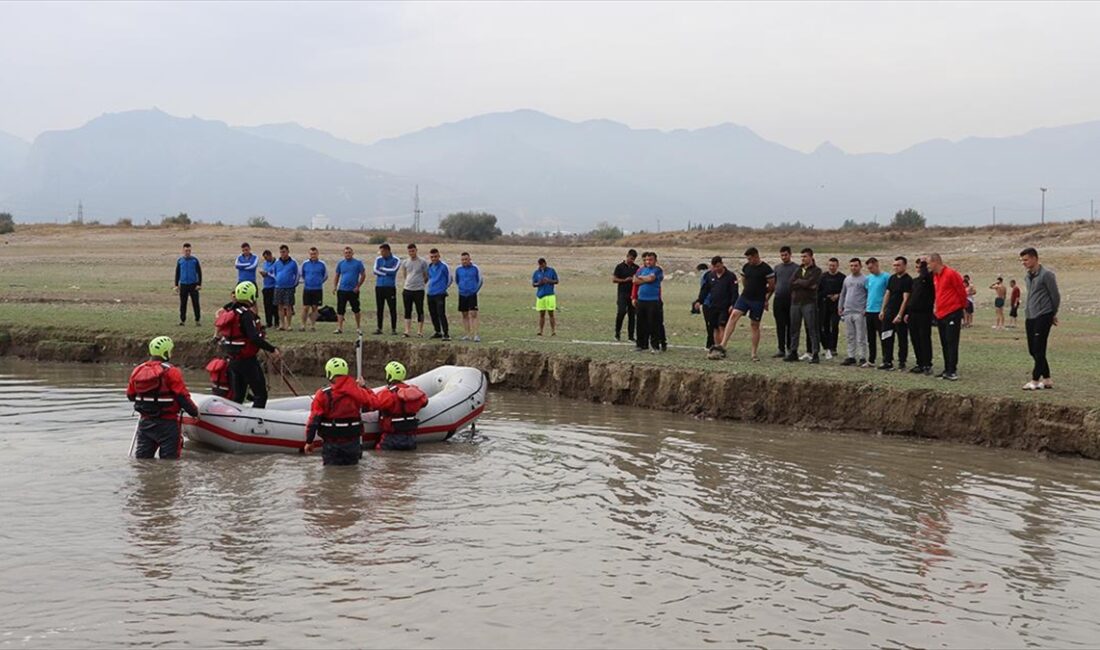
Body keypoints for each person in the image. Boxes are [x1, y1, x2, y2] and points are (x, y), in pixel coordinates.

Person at [126, 336, 199, 459]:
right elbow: (182, 397)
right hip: (168, 425)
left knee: (143, 461)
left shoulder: (138, 370)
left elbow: (131, 396)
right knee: (170, 463)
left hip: (145, 424)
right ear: (166, 352)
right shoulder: (172, 372)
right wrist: (194, 412)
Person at [302, 357, 382, 466]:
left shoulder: (323, 394)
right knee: (353, 475)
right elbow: (376, 403)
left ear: (329, 373)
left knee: (331, 475)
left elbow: (314, 420)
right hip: (352, 444)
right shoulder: (358, 392)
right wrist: (364, 387)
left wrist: (309, 441)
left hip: (331, 445)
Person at [216, 281, 281, 407]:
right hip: (247, 361)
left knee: (238, 396)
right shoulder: (246, 315)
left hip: (233, 360)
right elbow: (254, 338)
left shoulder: (232, 311)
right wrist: (272, 349)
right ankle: (256, 424)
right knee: (261, 394)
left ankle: (234, 421)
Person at [715, 247, 773, 361]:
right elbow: (744, 280)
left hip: (758, 300)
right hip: (745, 297)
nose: (749, 261)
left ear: (756, 256)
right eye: (747, 259)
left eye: (750, 258)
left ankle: (753, 353)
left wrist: (766, 299)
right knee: (733, 316)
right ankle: (723, 345)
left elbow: (772, 286)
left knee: (754, 325)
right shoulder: (746, 267)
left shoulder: (766, 269)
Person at [1020, 247, 1060, 390]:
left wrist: (1052, 313)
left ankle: (1035, 380)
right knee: (1033, 350)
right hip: (1030, 315)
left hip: (1043, 315)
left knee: (1038, 348)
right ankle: (1047, 379)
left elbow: (1055, 296)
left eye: (1026, 260)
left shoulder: (1046, 275)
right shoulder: (1028, 276)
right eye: (1022, 260)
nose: (1023, 263)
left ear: (1034, 258)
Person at [373, 361, 429, 451]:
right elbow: (424, 402)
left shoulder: (387, 394)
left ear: (389, 376)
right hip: (410, 439)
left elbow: (372, 403)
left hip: (391, 438)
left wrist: (363, 388)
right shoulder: (414, 392)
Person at [928, 253, 967, 381]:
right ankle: (947, 368)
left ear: (935, 262)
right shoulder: (935, 276)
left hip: (953, 312)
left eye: (929, 263)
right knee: (944, 342)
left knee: (952, 341)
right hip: (940, 313)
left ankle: (952, 370)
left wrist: (961, 308)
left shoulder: (951, 273)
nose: (928, 266)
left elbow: (961, 291)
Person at [698, 256, 741, 359]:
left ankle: (722, 348)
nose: (716, 268)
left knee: (722, 326)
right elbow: (705, 289)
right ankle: (717, 348)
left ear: (722, 264)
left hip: (725, 306)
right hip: (713, 305)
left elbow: (734, 292)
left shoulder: (730, 276)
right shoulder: (710, 275)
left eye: (718, 266)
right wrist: (699, 300)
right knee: (715, 327)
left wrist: (733, 304)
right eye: (714, 267)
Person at [787, 248, 822, 363]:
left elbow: (810, 283)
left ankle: (815, 353)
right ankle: (793, 351)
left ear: (811, 257)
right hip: (795, 302)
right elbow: (791, 283)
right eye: (801, 257)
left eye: (805, 256)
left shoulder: (817, 270)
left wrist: (800, 282)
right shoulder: (798, 269)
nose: (803, 259)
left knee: (812, 328)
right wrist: (803, 283)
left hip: (809, 302)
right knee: (794, 328)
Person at [878, 256, 912, 370]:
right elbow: (887, 294)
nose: (896, 267)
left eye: (898, 265)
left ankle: (902, 362)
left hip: (900, 314)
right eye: (894, 265)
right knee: (886, 336)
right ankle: (887, 360)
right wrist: (882, 310)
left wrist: (900, 315)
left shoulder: (908, 280)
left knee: (902, 339)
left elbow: (905, 299)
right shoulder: (892, 278)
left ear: (904, 266)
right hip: (889, 312)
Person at [906, 256, 935, 375]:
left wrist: (924, 263)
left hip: (924, 313)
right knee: (915, 338)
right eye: (917, 267)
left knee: (924, 338)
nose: (919, 269)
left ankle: (927, 364)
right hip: (913, 313)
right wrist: (907, 312)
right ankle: (920, 363)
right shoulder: (915, 281)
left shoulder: (929, 279)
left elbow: (925, 275)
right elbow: (911, 298)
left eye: (921, 267)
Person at [632, 252, 665, 353]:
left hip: (653, 300)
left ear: (655, 260)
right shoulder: (641, 269)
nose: (648, 262)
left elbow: (652, 278)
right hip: (641, 300)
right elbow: (634, 281)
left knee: (653, 324)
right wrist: (645, 279)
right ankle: (641, 345)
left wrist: (641, 278)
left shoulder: (658, 270)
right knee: (640, 323)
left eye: (650, 260)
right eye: (646, 260)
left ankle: (655, 346)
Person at [838, 258, 869, 367]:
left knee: (861, 336)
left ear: (860, 266)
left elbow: (868, 294)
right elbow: (843, 293)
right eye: (851, 265)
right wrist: (840, 307)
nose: (853, 268)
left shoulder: (865, 279)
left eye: (856, 265)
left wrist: (866, 308)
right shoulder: (847, 279)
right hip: (848, 311)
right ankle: (851, 356)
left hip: (859, 312)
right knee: (850, 335)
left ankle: (862, 357)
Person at [333, 246, 366, 334]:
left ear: (352, 253)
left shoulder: (358, 263)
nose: (347, 254)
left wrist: (358, 286)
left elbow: (363, 275)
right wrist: (335, 286)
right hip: (342, 290)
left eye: (349, 252)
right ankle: (339, 328)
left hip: (353, 290)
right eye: (346, 253)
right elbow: (337, 275)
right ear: (344, 254)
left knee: (356, 309)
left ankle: (358, 327)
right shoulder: (341, 263)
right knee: (340, 309)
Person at [771, 246, 798, 358]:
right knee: (780, 325)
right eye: (782, 255)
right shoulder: (777, 268)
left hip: (792, 300)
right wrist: (766, 299)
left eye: (785, 255)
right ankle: (780, 349)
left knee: (791, 325)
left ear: (790, 254)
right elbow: (773, 284)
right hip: (778, 299)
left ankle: (790, 348)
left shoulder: (797, 268)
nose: (783, 257)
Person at [818, 257, 845, 360]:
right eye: (830, 265)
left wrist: (838, 295)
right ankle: (827, 347)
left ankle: (833, 347)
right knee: (824, 326)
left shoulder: (842, 277)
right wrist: (827, 295)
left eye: (834, 265)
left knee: (834, 325)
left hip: (837, 305)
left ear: (837, 266)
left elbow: (845, 291)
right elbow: (819, 291)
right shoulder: (823, 277)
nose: (832, 267)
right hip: (825, 304)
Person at [863, 257, 888, 365]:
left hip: (880, 311)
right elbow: (867, 293)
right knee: (870, 337)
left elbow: (889, 293)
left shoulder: (886, 277)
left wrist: (884, 309)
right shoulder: (868, 278)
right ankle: (871, 359)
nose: (870, 270)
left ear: (877, 265)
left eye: (872, 268)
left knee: (882, 336)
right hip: (869, 311)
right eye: (869, 268)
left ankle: (885, 359)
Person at [454, 251, 483, 342]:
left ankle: (476, 335)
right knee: (464, 314)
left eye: (466, 259)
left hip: (472, 294)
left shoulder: (475, 268)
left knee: (473, 314)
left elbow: (480, 280)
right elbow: (457, 280)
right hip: (462, 294)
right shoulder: (458, 270)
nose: (464, 261)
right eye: (462, 260)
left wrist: (474, 290)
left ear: (470, 259)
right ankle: (467, 334)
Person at [401, 243, 429, 338]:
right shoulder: (405, 262)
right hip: (407, 289)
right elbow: (405, 274)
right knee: (407, 310)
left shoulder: (423, 262)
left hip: (419, 290)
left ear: (416, 250)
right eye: (409, 251)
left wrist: (421, 284)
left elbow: (426, 276)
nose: (411, 253)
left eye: (413, 251)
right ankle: (407, 331)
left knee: (419, 310)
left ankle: (420, 331)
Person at [373, 243, 401, 335]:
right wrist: (385, 273)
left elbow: (394, 270)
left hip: (390, 287)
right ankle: (379, 328)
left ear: (387, 251)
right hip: (379, 287)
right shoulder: (378, 259)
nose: (381, 253)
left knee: (392, 308)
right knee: (379, 308)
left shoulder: (396, 259)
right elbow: (375, 270)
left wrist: (382, 269)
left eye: (382, 251)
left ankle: (393, 329)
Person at [612, 250, 640, 342]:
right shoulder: (620, 267)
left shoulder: (636, 268)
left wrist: (635, 280)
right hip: (622, 294)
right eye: (630, 258)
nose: (631, 260)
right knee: (621, 312)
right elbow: (614, 279)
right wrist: (625, 280)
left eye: (633, 259)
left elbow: (639, 279)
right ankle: (617, 333)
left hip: (633, 295)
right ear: (627, 256)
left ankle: (631, 336)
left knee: (632, 315)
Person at [300, 247, 328, 332]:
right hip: (307, 289)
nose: (313, 255)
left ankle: (312, 325)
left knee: (315, 308)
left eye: (315, 254)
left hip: (317, 289)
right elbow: (302, 274)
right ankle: (303, 325)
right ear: (309, 254)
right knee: (305, 307)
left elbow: (325, 276)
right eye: (311, 254)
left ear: (317, 254)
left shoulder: (322, 264)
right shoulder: (305, 264)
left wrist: (318, 282)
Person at [174, 242, 202, 327]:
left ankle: (197, 320)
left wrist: (199, 284)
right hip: (183, 285)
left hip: (193, 285)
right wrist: (176, 285)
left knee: (196, 303)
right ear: (183, 250)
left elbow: (199, 272)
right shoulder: (180, 261)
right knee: (183, 304)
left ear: (191, 250)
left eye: (189, 250)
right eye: (186, 250)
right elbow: (177, 273)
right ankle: (182, 320)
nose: (187, 252)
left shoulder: (195, 260)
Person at [272, 244, 300, 332]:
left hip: (289, 287)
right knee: (279, 306)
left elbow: (297, 274)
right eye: (281, 252)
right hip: (278, 287)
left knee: (288, 306)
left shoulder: (293, 262)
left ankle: (289, 325)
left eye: (284, 252)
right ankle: (282, 324)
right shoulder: (277, 262)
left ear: (288, 252)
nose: (282, 254)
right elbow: (275, 273)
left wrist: (293, 284)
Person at [426, 248, 452, 340]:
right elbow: (429, 278)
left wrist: (443, 288)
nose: (433, 259)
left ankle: (446, 333)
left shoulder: (444, 266)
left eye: (435, 257)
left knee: (441, 313)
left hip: (440, 294)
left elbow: (449, 279)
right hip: (430, 293)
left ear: (439, 256)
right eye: (432, 257)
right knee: (433, 313)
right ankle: (437, 331)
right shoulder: (429, 266)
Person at [532, 257, 559, 336]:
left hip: (550, 295)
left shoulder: (551, 271)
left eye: (542, 265)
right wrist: (539, 283)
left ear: (545, 263)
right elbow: (534, 284)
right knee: (541, 314)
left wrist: (549, 281)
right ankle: (541, 331)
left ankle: (553, 331)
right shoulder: (536, 272)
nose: (541, 266)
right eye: (540, 265)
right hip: (541, 296)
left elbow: (556, 281)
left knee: (551, 313)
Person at [694, 262, 714, 349]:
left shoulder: (705, 275)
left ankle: (710, 344)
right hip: (712, 302)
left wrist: (700, 300)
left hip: (708, 302)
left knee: (710, 325)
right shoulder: (710, 274)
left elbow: (704, 289)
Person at [258, 249, 278, 328]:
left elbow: (276, 274)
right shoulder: (265, 263)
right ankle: (268, 322)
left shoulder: (277, 263)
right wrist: (263, 274)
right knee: (267, 305)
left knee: (275, 306)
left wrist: (268, 274)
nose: (266, 259)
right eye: (264, 258)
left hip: (274, 287)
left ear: (270, 255)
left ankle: (277, 322)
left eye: (267, 257)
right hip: (266, 286)